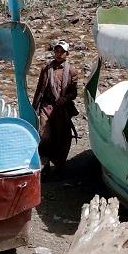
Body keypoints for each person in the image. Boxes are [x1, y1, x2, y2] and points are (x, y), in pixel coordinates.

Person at [32, 40, 79, 171]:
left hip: (61, 109)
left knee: (62, 136)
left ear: (67, 53)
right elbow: (39, 89)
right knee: (44, 134)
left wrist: (65, 98)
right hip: (46, 106)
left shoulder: (72, 71)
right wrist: (34, 106)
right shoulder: (46, 69)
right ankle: (45, 165)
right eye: (57, 51)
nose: (58, 54)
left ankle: (59, 165)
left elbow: (74, 92)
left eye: (62, 52)